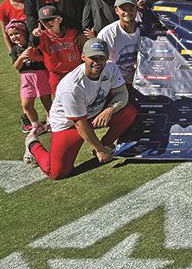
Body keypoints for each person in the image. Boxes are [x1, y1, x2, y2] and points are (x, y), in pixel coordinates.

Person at [23, 38, 137, 180]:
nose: (97, 61)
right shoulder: (72, 86)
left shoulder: (110, 67)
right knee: (57, 172)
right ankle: (32, 144)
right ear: (83, 57)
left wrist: (110, 109)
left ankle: (106, 144)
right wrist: (99, 150)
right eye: (92, 57)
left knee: (128, 112)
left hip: (91, 114)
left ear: (107, 57)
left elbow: (122, 94)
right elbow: (79, 123)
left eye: (101, 57)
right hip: (68, 125)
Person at [7, 19, 52, 134]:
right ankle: (36, 124)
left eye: (17, 33)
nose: (14, 37)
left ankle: (52, 121)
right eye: (11, 35)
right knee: (26, 105)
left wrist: (37, 58)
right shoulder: (14, 50)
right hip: (26, 78)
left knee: (46, 101)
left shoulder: (33, 44)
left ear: (24, 33)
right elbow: (16, 67)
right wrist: (21, 57)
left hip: (41, 75)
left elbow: (45, 60)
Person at [33, 5, 85, 95]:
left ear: (59, 19)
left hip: (76, 72)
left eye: (51, 19)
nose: (48, 23)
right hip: (57, 75)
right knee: (60, 101)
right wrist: (35, 34)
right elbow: (34, 42)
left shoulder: (73, 33)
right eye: (44, 21)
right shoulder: (42, 37)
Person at [97, 0, 141, 85]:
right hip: (116, 81)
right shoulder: (106, 34)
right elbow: (100, 63)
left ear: (137, 9)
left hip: (141, 79)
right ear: (116, 10)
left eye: (131, 9)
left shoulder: (145, 30)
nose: (127, 12)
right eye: (123, 9)